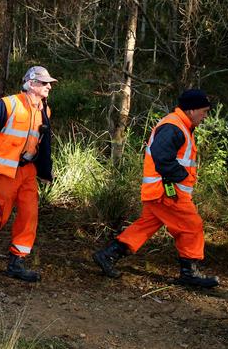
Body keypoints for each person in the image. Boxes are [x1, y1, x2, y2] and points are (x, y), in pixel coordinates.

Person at [93, 89, 219, 288]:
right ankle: (189, 273)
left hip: (161, 191)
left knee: (145, 226)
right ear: (192, 110)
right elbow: (162, 158)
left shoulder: (179, 125)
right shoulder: (174, 126)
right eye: (204, 111)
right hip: (167, 191)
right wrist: (182, 176)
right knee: (192, 226)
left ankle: (107, 255)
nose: (205, 116)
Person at [0, 66, 56, 283]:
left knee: (30, 214)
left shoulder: (45, 110)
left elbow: (44, 144)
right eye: (44, 83)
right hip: (5, 170)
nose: (48, 86)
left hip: (28, 171)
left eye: (49, 83)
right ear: (31, 83)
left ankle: (17, 261)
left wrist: (45, 172)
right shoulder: (9, 104)